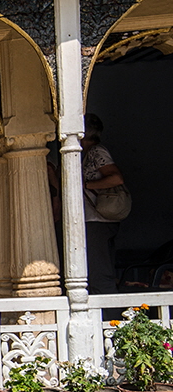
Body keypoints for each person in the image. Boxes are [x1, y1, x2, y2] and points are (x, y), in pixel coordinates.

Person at [82, 114, 125, 294]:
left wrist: (86, 186)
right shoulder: (87, 153)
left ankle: (110, 319)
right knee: (94, 273)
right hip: (95, 221)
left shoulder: (96, 152)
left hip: (98, 221)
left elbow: (116, 178)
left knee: (99, 275)